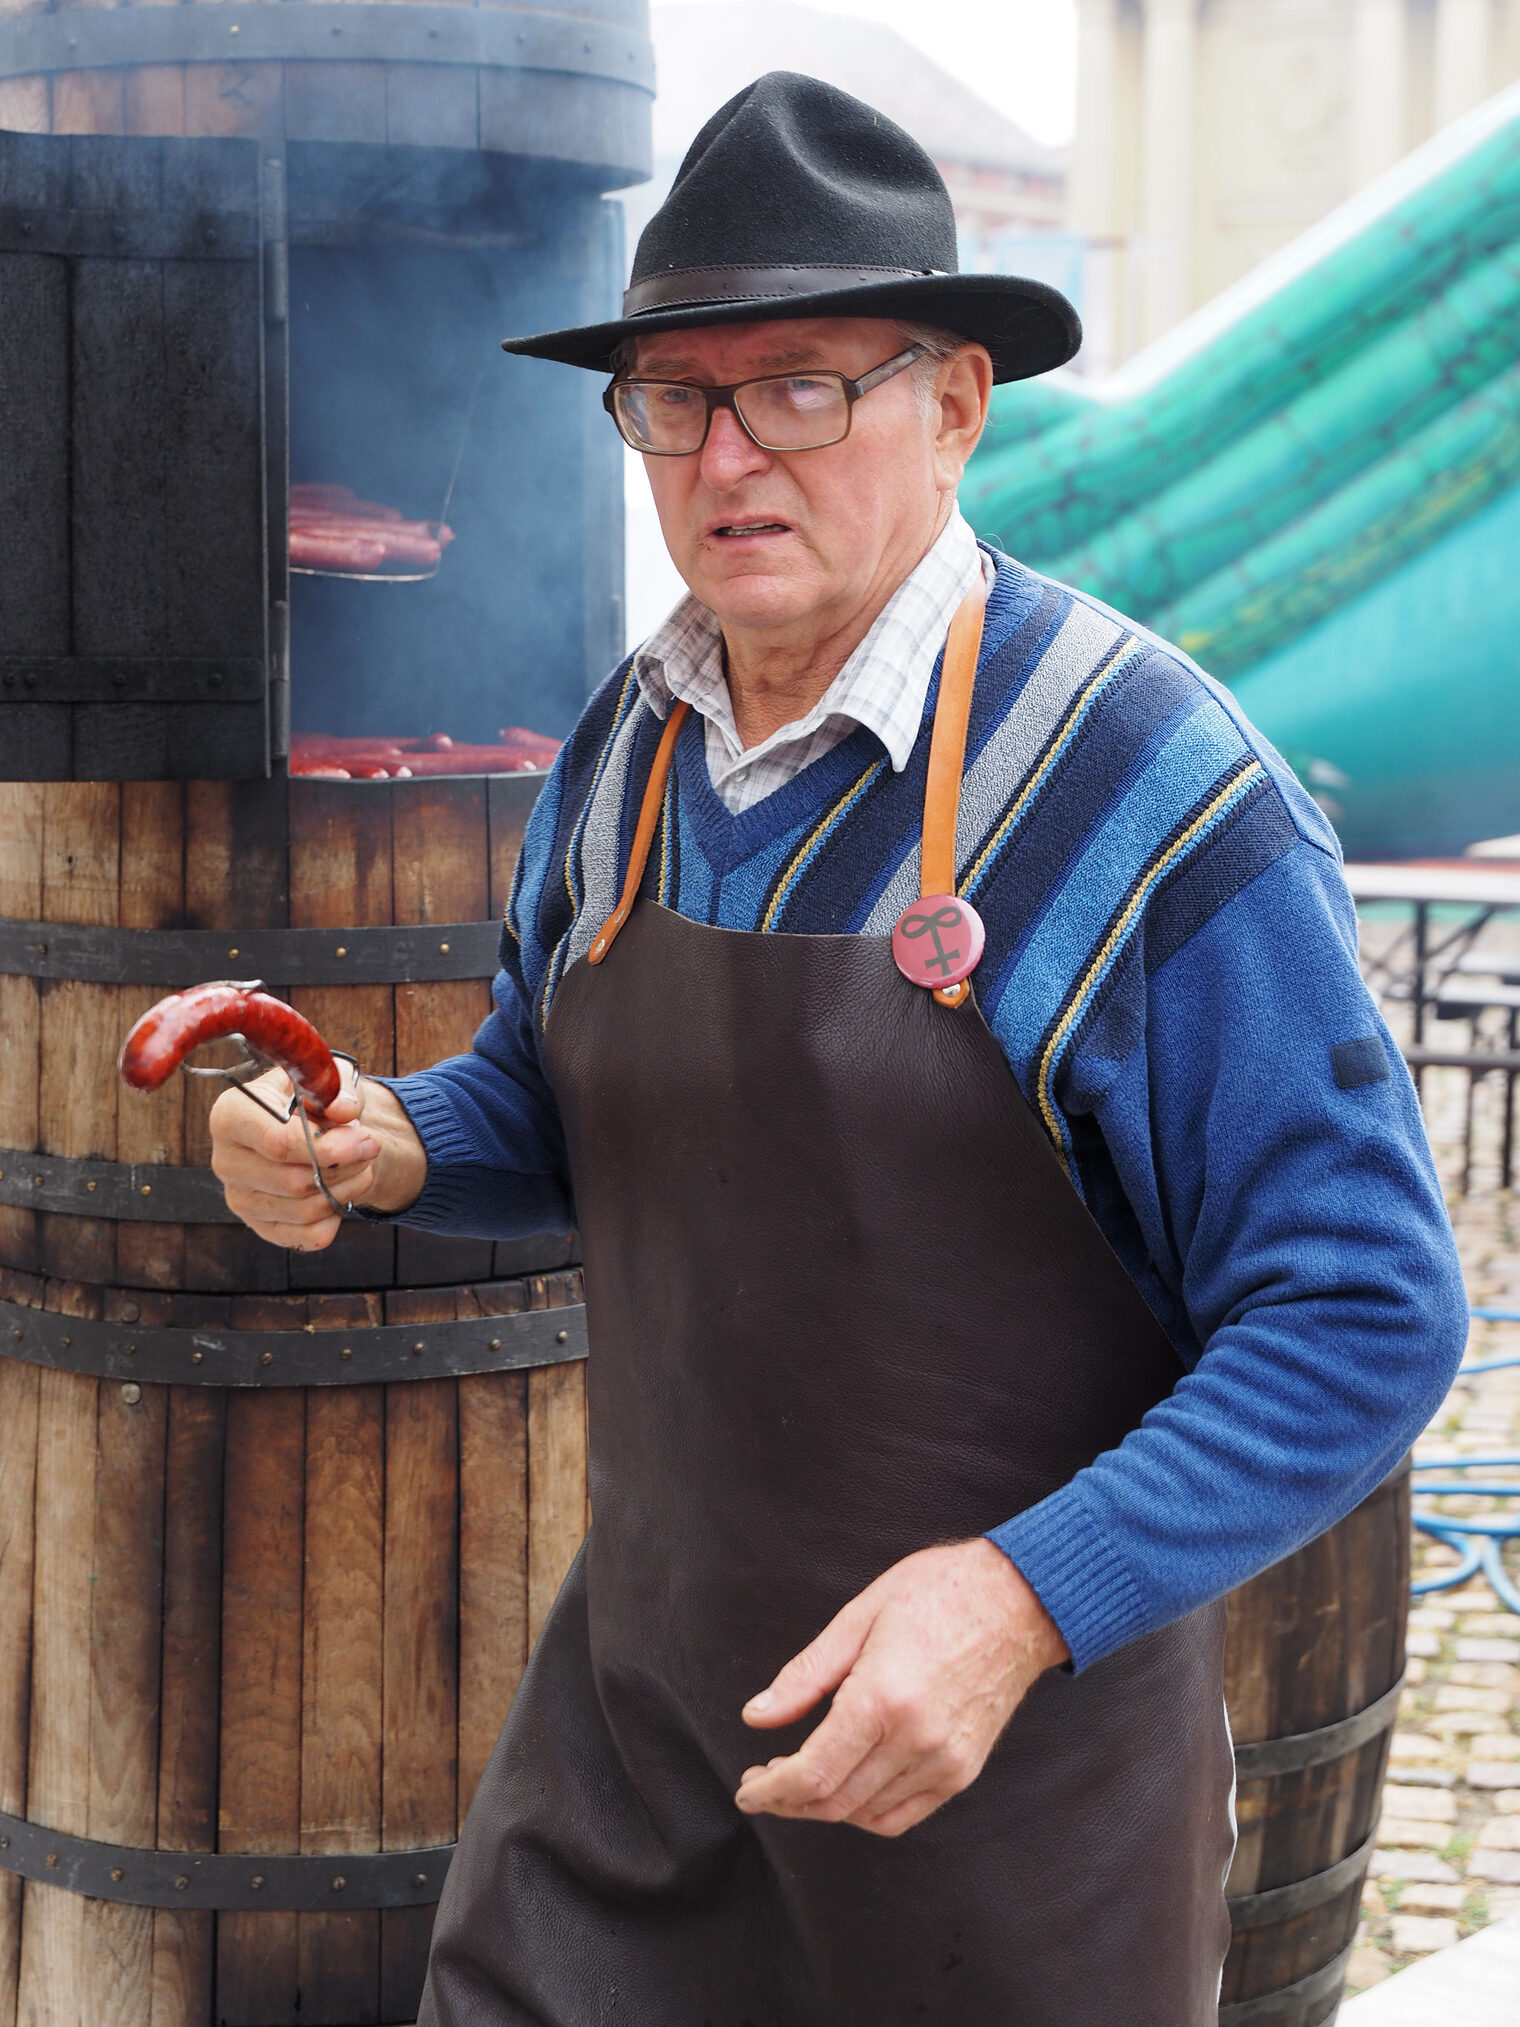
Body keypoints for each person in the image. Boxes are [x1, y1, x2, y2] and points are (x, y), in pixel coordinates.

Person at [210, 71, 1466, 2026]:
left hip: (1006, 1843)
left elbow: (1367, 1308)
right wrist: (389, 1147)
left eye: (802, 385)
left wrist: (1018, 1594)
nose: (727, 454)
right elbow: (554, 1108)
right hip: (629, 1784)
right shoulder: (628, 745)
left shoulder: (1142, 785)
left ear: (954, 404)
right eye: (676, 399)